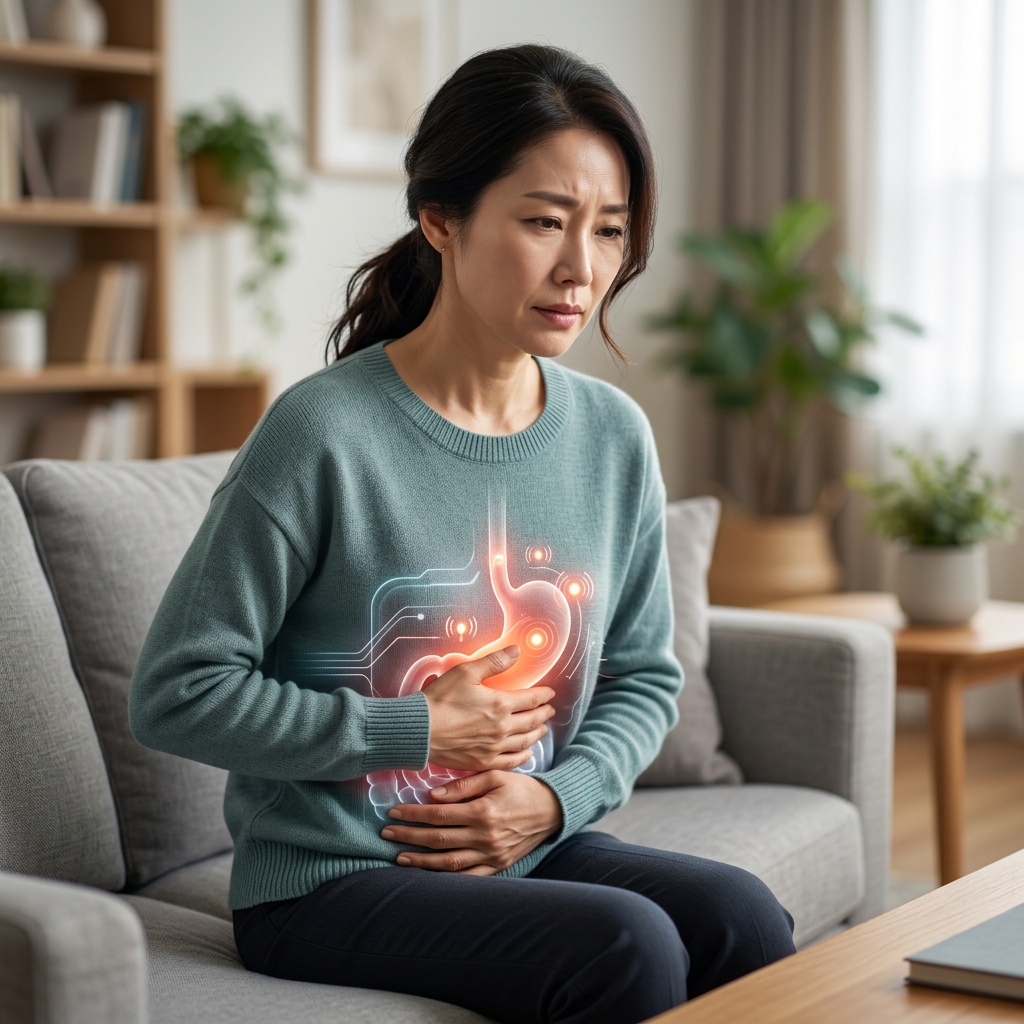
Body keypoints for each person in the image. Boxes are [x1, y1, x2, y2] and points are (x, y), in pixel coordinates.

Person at [129, 44, 795, 1024]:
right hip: (327, 880)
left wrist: (556, 797)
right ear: (439, 219)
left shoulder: (612, 435)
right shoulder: (322, 432)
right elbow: (175, 693)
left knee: (738, 915)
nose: (582, 268)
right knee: (628, 942)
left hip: (527, 839)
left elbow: (644, 675)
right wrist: (415, 728)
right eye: (542, 222)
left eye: (608, 231)